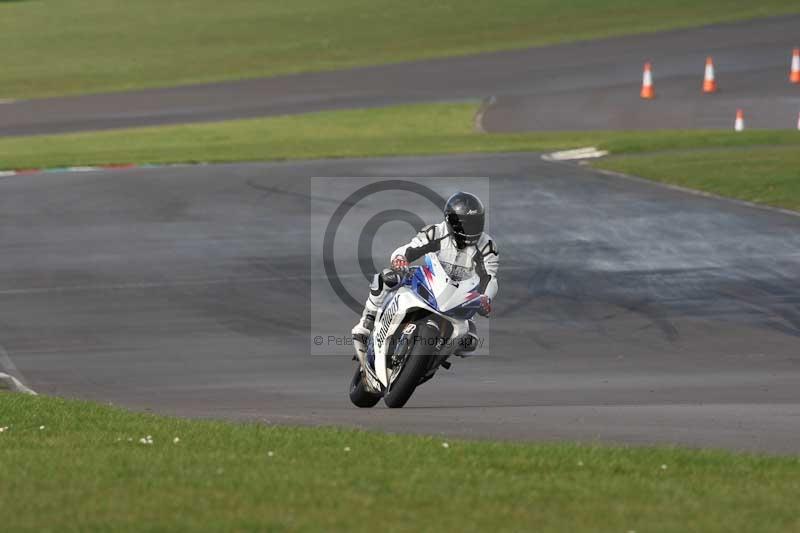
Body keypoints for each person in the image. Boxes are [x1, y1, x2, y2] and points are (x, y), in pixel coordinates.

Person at [351, 191, 498, 361]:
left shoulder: (487, 246)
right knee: (387, 278)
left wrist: (486, 298)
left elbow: (490, 278)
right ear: (451, 221)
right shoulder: (436, 231)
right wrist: (400, 259)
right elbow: (410, 248)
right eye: (466, 225)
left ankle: (433, 358)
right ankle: (365, 326)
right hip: (429, 280)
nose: (471, 230)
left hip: (461, 298)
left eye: (475, 223)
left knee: (469, 343)